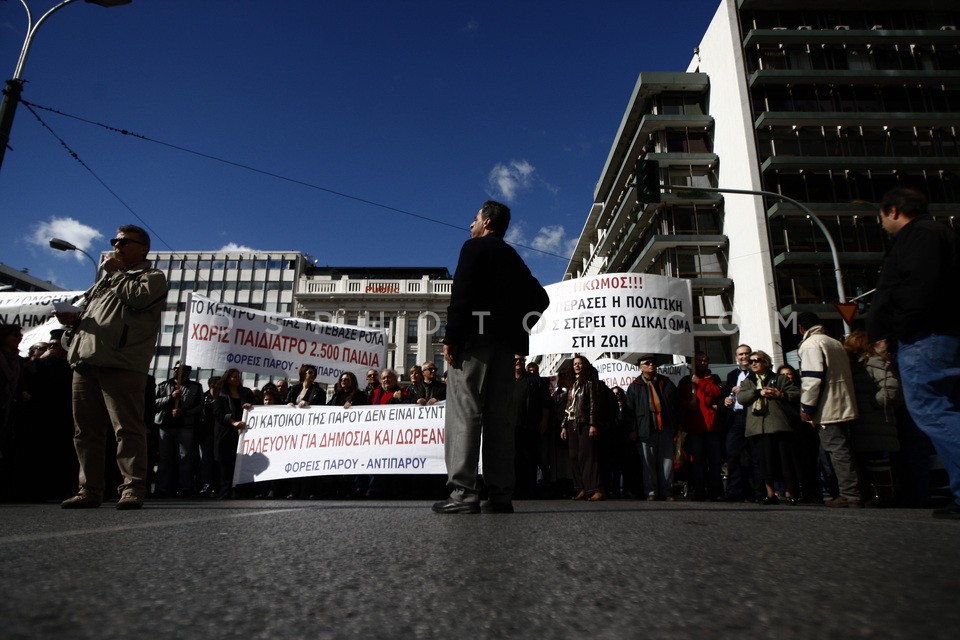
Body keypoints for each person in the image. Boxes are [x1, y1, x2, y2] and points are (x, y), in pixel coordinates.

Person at [433, 200, 549, 514]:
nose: (470, 224)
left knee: (465, 414)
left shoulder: (474, 248)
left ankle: (464, 493)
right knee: (499, 420)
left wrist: (452, 336)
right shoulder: (513, 257)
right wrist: (518, 328)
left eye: (474, 218)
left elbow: (463, 292)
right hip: (504, 347)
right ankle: (500, 495)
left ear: (486, 222)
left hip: (473, 344)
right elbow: (541, 298)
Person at [57, 225, 168, 510]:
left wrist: (117, 273)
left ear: (143, 248)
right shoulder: (103, 282)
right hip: (85, 361)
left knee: (127, 429)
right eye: (114, 241)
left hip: (122, 363)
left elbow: (139, 299)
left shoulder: (151, 277)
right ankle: (89, 489)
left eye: (124, 242)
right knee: (85, 432)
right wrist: (73, 324)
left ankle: (132, 488)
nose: (116, 246)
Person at [868, 186, 960, 520]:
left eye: (881, 216)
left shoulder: (919, 236)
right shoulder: (936, 234)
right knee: (942, 409)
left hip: (926, 336)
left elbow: (916, 288)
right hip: (933, 334)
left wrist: (896, 331)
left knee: (932, 410)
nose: (881, 224)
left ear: (893, 210)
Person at [797, 311, 862, 508]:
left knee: (837, 450)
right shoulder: (834, 342)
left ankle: (850, 493)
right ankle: (852, 491)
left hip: (827, 406)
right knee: (845, 449)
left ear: (801, 328)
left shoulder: (810, 344)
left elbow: (812, 378)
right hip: (844, 402)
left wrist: (807, 407)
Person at [843, 330, 901, 506]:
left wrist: (873, 403)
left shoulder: (873, 362)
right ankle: (877, 493)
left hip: (875, 419)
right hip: (866, 421)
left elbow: (891, 387)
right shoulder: (857, 365)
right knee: (871, 458)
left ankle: (884, 495)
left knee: (878, 458)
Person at [737, 351, 802, 505]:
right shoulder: (748, 381)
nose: (753, 363)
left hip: (777, 425)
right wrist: (758, 392)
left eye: (757, 360)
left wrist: (780, 394)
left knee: (784, 461)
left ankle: (789, 492)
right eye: (751, 361)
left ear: (766, 362)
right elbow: (741, 398)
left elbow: (796, 393)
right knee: (764, 462)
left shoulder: (778, 379)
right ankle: (770, 493)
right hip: (757, 427)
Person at [624, 354, 682, 501]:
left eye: (653, 363)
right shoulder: (634, 387)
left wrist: (677, 424)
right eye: (647, 363)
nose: (651, 365)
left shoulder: (666, 383)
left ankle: (667, 491)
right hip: (645, 429)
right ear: (640, 367)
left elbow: (675, 405)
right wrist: (632, 429)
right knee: (648, 463)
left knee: (667, 461)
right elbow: (628, 411)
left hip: (665, 427)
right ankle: (651, 492)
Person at [677, 352, 725, 500]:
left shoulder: (714, 378)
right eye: (699, 360)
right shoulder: (685, 380)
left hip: (712, 427)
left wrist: (699, 382)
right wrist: (688, 404)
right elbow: (679, 402)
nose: (703, 363)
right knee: (697, 462)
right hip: (695, 428)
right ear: (693, 362)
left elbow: (716, 392)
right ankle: (699, 491)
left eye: (705, 360)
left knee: (714, 462)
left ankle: (715, 492)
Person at [154, 362, 204, 498]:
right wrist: (170, 397)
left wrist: (184, 412)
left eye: (184, 369)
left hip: (185, 426)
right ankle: (162, 488)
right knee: (164, 458)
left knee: (185, 458)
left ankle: (185, 487)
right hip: (165, 426)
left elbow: (200, 406)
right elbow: (154, 403)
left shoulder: (195, 387)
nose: (181, 371)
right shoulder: (163, 385)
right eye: (178, 369)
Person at [560, 354, 606, 501]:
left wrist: (593, 424)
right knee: (573, 455)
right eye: (574, 364)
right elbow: (568, 406)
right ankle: (582, 488)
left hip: (585, 422)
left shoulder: (590, 382)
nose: (577, 366)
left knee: (587, 456)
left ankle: (595, 489)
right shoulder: (572, 384)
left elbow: (593, 404)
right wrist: (564, 426)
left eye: (579, 363)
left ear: (584, 365)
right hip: (572, 422)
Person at [722, 344, 760, 502]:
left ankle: (756, 491)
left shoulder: (756, 373)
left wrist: (744, 391)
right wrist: (726, 400)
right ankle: (734, 491)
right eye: (740, 355)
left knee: (753, 455)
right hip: (735, 418)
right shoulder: (732, 374)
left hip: (753, 416)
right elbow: (725, 394)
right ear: (736, 357)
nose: (743, 357)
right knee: (732, 454)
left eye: (746, 354)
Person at [512, 354, 550, 500]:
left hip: (530, 426)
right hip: (512, 427)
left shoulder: (535, 380)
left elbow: (545, 403)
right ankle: (515, 489)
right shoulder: (506, 381)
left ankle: (529, 490)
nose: (518, 362)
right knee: (513, 459)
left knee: (530, 459)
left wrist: (544, 420)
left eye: (521, 360)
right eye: (515, 360)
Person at [214, 368, 254, 499]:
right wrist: (233, 422)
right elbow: (218, 413)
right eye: (234, 377)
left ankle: (239, 490)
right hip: (226, 433)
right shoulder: (221, 393)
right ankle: (225, 491)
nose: (237, 379)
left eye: (238, 376)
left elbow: (256, 407)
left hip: (243, 432)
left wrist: (250, 406)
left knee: (241, 462)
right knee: (225, 463)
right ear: (228, 379)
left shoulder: (246, 392)